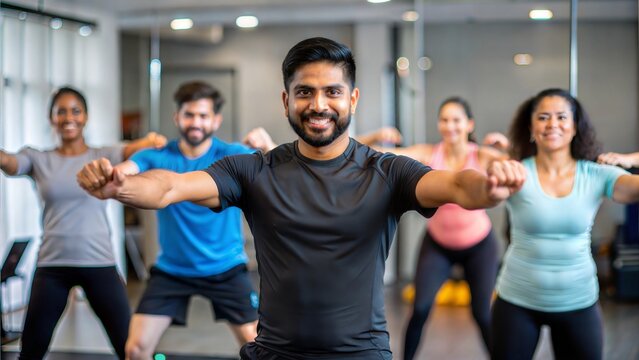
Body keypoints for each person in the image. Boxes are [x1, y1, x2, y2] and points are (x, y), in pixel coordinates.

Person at [77, 37, 525, 360]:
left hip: (361, 354)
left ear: (352, 98)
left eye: (332, 92)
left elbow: (454, 185)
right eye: (304, 92)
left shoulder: (385, 170)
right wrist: (118, 186)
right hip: (275, 352)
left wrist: (490, 187)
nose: (318, 104)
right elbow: (171, 185)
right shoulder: (253, 170)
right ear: (285, 100)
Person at [104, 80, 275, 359]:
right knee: (135, 349)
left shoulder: (231, 155)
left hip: (226, 267)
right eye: (189, 114)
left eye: (203, 115)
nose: (196, 122)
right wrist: (112, 176)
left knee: (257, 345)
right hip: (173, 269)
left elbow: (282, 168)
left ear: (216, 120)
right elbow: (125, 172)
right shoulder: (156, 156)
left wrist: (267, 146)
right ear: (177, 117)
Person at [0, 86, 166, 360]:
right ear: (51, 118)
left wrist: (151, 139)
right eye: (61, 111)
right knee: (31, 351)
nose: (69, 117)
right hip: (52, 265)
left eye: (75, 110)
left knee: (129, 347)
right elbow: (9, 162)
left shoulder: (104, 155)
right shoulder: (39, 159)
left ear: (86, 117)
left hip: (99, 262)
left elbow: (138, 147)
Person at [492, 88, 639, 360]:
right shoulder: (516, 172)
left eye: (561, 117)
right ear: (531, 127)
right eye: (543, 117)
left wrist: (631, 160)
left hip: (579, 302)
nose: (552, 124)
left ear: (575, 127)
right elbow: (481, 191)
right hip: (517, 301)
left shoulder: (597, 174)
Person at [358, 97, 508, 359]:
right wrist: (376, 135)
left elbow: (521, 163)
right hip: (438, 244)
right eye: (444, 120)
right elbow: (376, 155)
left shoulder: (481, 155)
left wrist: (508, 147)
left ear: (469, 124)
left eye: (456, 120)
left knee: (483, 314)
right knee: (421, 309)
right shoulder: (429, 153)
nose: (450, 126)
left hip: (479, 246)